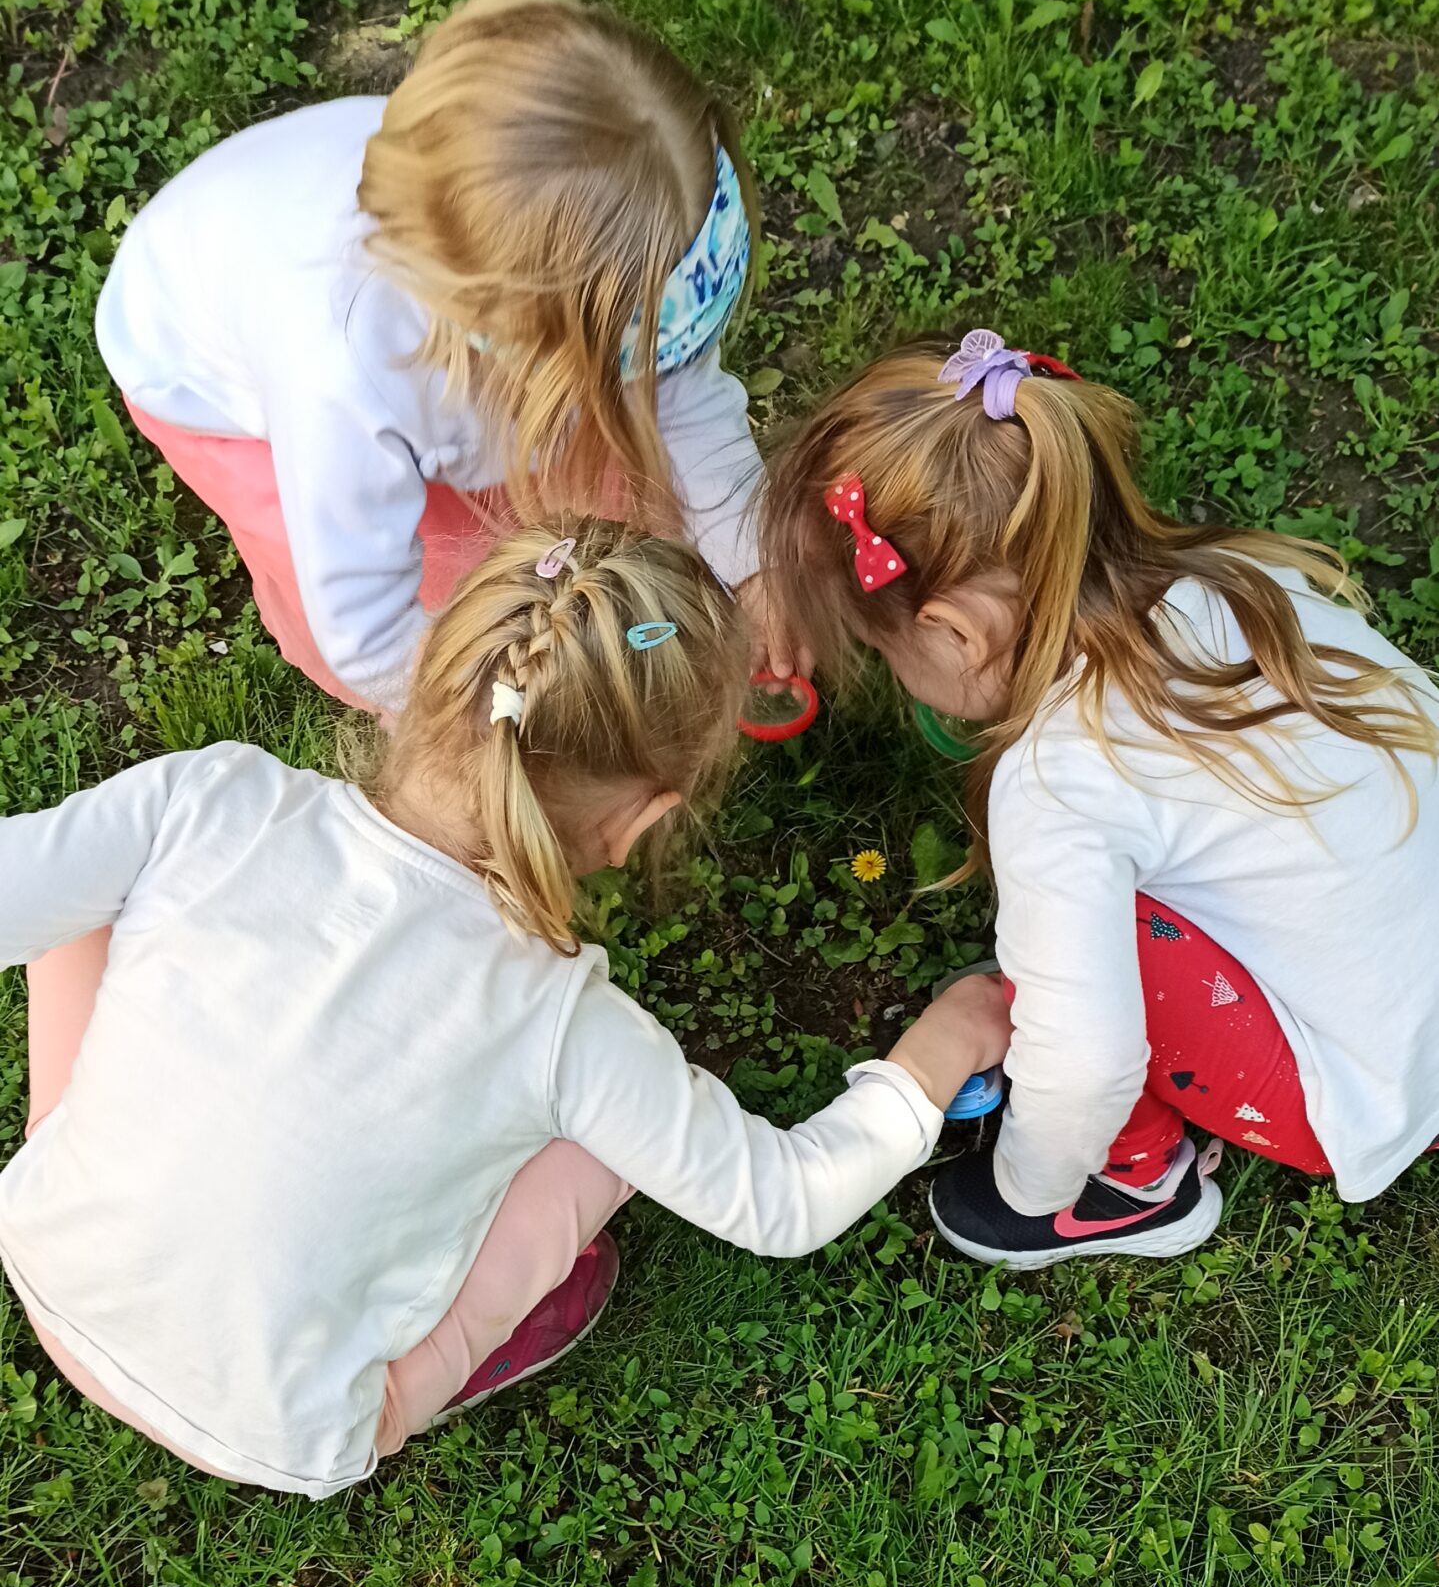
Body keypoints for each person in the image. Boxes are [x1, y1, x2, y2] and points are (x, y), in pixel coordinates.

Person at [0, 524, 1009, 1496]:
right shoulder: (566, 1028)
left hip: (49, 1258)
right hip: (283, 1427)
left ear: (432, 667)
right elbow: (783, 1201)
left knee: (84, 899)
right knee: (601, 1153)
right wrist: (932, 1054)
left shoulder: (208, 798)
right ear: (639, 822)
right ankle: (431, 1372)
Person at [763, 328, 1439, 1267]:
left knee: (1075, 967)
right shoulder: (1239, 580)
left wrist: (1026, 1185)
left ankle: (1135, 1185)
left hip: (1378, 1089)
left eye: (884, 651)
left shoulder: (1056, 781)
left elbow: (1084, 1061)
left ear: (955, 635)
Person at [93, 0, 790, 714]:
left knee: (605, 479)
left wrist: (753, 564)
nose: (660, 371)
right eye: (630, 360)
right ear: (498, 325)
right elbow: (367, 628)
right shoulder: (342, 381)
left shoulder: (617, 228)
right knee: (455, 585)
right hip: (212, 386)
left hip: (407, 308)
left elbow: (678, 392)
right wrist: (480, 722)